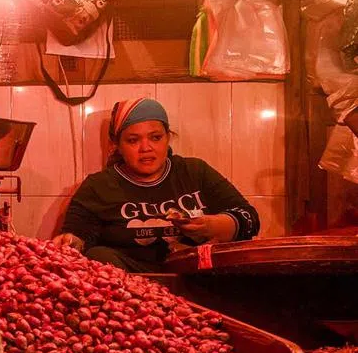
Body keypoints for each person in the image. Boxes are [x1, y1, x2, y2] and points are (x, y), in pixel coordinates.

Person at [53, 97, 259, 272]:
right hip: (129, 286)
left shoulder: (194, 171)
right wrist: (69, 241)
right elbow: (78, 239)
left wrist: (209, 226)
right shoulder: (99, 185)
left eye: (155, 137)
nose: (146, 148)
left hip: (194, 276)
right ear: (117, 145)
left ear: (168, 138)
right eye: (133, 140)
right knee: (98, 255)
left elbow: (249, 219)